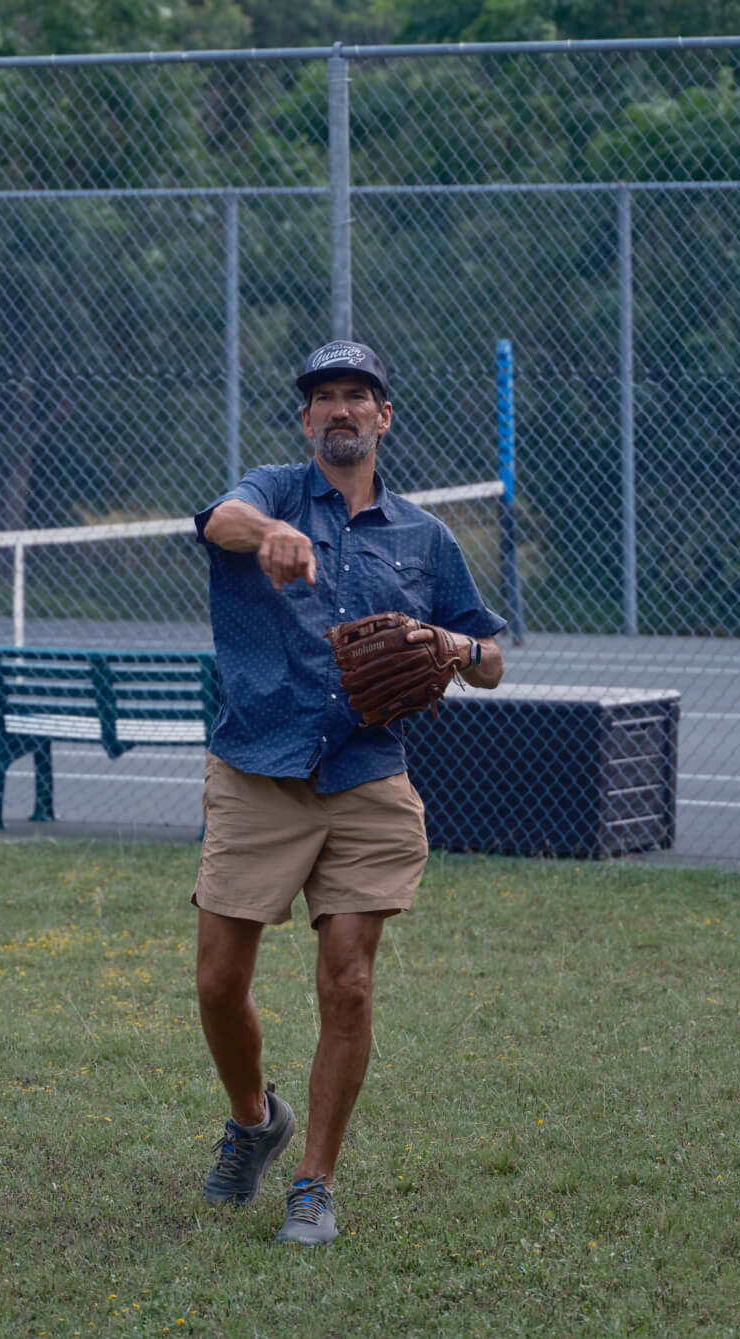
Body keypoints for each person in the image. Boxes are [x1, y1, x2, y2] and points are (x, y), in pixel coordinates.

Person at [190, 340, 506, 1245]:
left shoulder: (423, 536)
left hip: (367, 777)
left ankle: (312, 1182)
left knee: (350, 982)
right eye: (323, 397)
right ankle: (255, 1120)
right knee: (218, 979)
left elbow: (490, 659)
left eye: (355, 397)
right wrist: (272, 534)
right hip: (259, 765)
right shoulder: (272, 493)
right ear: (305, 420)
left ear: (382, 417)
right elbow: (220, 521)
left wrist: (449, 649)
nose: (339, 409)